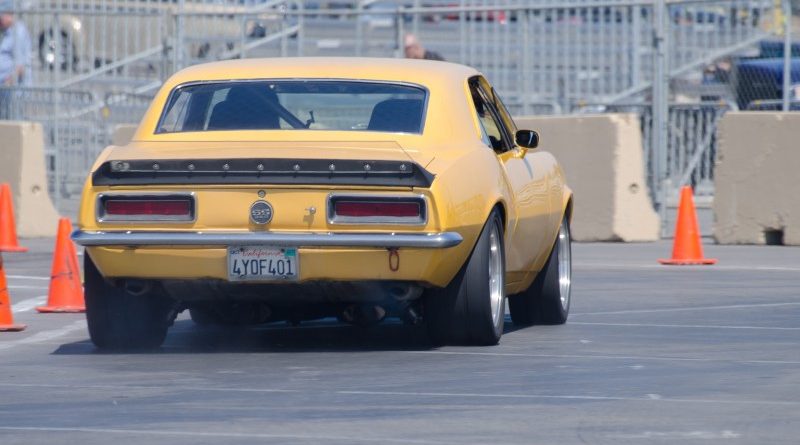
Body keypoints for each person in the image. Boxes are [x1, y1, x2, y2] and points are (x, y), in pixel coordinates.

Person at [0, 0, 32, 119]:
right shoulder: (5, 32)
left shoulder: (18, 32)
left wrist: (9, 82)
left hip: (12, 91)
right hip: (3, 90)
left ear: (9, 14)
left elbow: (20, 65)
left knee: (12, 121)